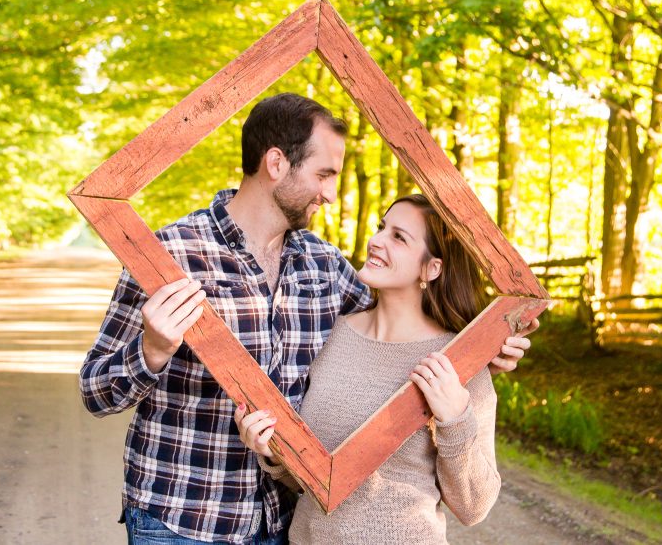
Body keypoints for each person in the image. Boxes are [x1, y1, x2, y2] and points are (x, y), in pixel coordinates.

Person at [79, 93, 535, 545]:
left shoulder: (327, 268)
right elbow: (96, 392)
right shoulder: (170, 255)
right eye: (324, 174)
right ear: (276, 163)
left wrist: (487, 347)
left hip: (283, 523)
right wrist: (152, 351)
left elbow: (405, 326)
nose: (332, 194)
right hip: (184, 519)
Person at [235, 193, 503, 543]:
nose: (376, 241)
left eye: (399, 237)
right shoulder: (331, 336)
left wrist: (456, 418)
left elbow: (474, 507)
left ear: (431, 268)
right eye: (381, 228)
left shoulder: (457, 361)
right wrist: (272, 452)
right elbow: (315, 483)